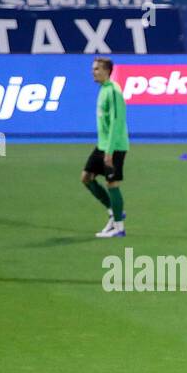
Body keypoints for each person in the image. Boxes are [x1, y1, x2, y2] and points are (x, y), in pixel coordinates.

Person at [81, 57, 129, 239]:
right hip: (102, 145)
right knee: (86, 178)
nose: (93, 72)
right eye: (93, 68)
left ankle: (119, 228)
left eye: (97, 69)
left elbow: (117, 122)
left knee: (112, 183)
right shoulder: (103, 90)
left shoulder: (114, 91)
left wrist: (109, 152)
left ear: (107, 71)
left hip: (114, 146)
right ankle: (113, 210)